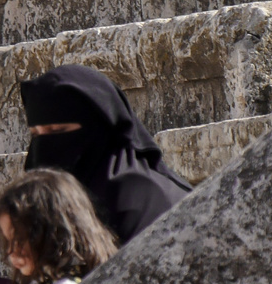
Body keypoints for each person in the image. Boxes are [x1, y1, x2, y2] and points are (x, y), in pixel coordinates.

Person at [19, 65, 192, 243]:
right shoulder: (47, 200)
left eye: (58, 130)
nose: (43, 146)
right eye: (35, 134)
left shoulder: (141, 199)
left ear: (98, 125)